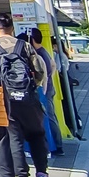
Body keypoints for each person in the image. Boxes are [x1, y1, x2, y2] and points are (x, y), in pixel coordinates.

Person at [0, 14, 53, 177]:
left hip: (5, 100)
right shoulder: (25, 45)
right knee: (37, 135)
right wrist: (32, 86)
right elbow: (40, 70)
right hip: (28, 98)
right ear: (12, 28)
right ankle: (42, 175)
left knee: (15, 140)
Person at [30, 28, 64, 157]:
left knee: (49, 117)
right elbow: (53, 66)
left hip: (46, 89)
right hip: (49, 88)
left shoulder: (39, 54)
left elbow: (44, 74)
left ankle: (57, 146)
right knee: (50, 116)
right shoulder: (44, 51)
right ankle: (56, 144)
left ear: (32, 40)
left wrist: (44, 86)